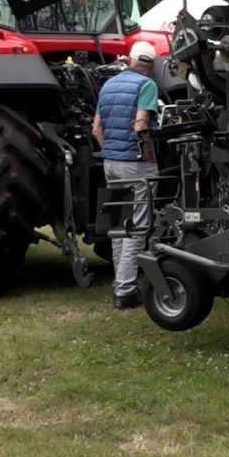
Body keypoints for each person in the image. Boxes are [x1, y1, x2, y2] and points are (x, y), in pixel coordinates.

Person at [92, 41, 161, 309]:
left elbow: (96, 129)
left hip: (111, 163)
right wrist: (148, 156)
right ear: (151, 65)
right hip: (135, 163)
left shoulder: (108, 85)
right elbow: (140, 125)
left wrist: (110, 151)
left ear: (130, 60)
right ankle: (126, 291)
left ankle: (119, 284)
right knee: (137, 227)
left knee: (120, 225)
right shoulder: (147, 85)